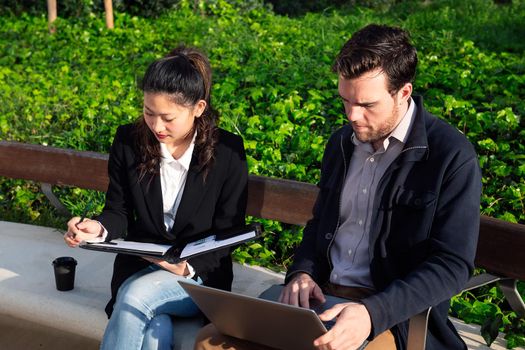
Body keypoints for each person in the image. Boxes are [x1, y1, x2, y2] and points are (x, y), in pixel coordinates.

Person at [194, 24, 481, 350]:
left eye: (367, 105)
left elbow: (451, 265)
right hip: (321, 297)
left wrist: (373, 313)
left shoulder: (450, 155)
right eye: (345, 100)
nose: (352, 116)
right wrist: (301, 273)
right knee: (211, 342)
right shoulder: (341, 144)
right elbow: (320, 228)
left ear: (403, 92)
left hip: (392, 314)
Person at [64, 46, 248, 350]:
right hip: (138, 266)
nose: (156, 126)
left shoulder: (227, 152)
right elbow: (118, 211)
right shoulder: (129, 141)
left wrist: (187, 267)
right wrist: (97, 228)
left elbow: (230, 229)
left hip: (200, 277)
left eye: (167, 117)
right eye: (149, 113)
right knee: (154, 331)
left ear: (198, 107)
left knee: (135, 297)